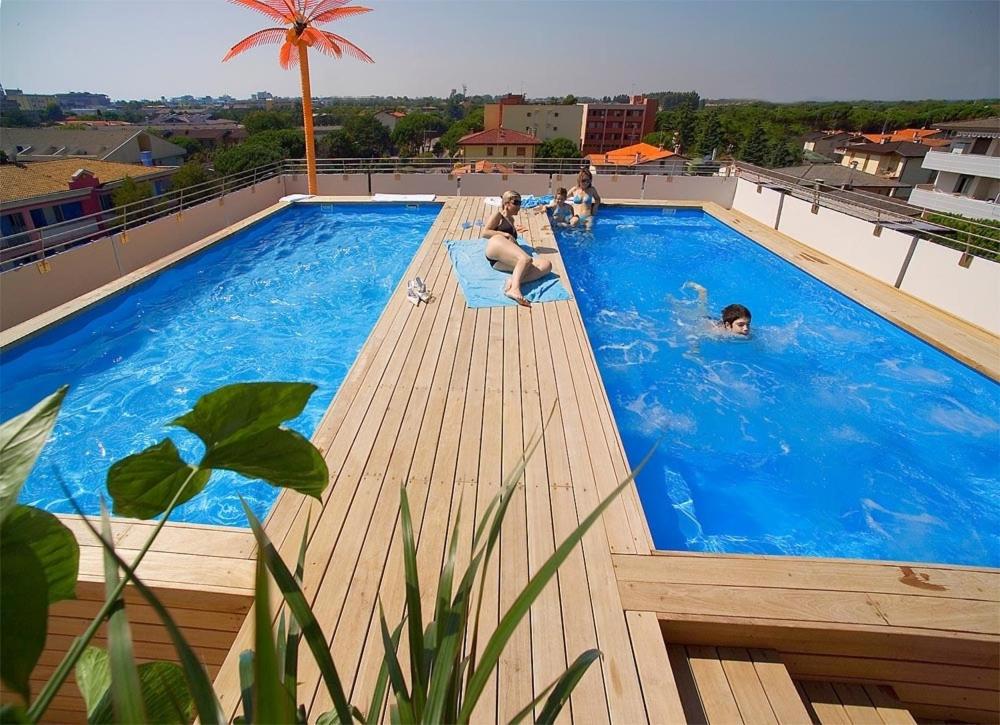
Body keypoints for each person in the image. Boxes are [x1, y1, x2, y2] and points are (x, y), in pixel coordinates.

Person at [483, 190, 553, 307]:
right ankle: (514, 289)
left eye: (520, 203)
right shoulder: (498, 216)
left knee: (546, 265)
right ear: (506, 203)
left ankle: (513, 281)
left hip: (505, 258)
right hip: (496, 245)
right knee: (526, 260)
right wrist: (506, 235)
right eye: (516, 202)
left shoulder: (512, 220)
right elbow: (485, 232)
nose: (519, 206)